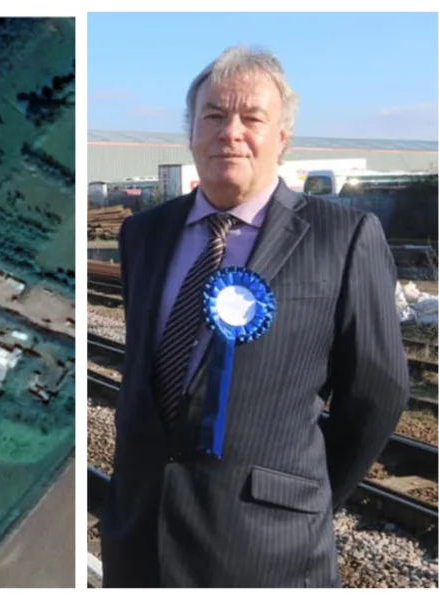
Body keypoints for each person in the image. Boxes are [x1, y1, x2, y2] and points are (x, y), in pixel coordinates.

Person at [98, 46, 409, 587]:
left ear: (281, 138)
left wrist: (302, 500)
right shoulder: (143, 234)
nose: (230, 132)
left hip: (269, 553)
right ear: (191, 132)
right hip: (139, 542)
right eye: (213, 116)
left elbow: (377, 394)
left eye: (252, 118)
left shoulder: (344, 239)